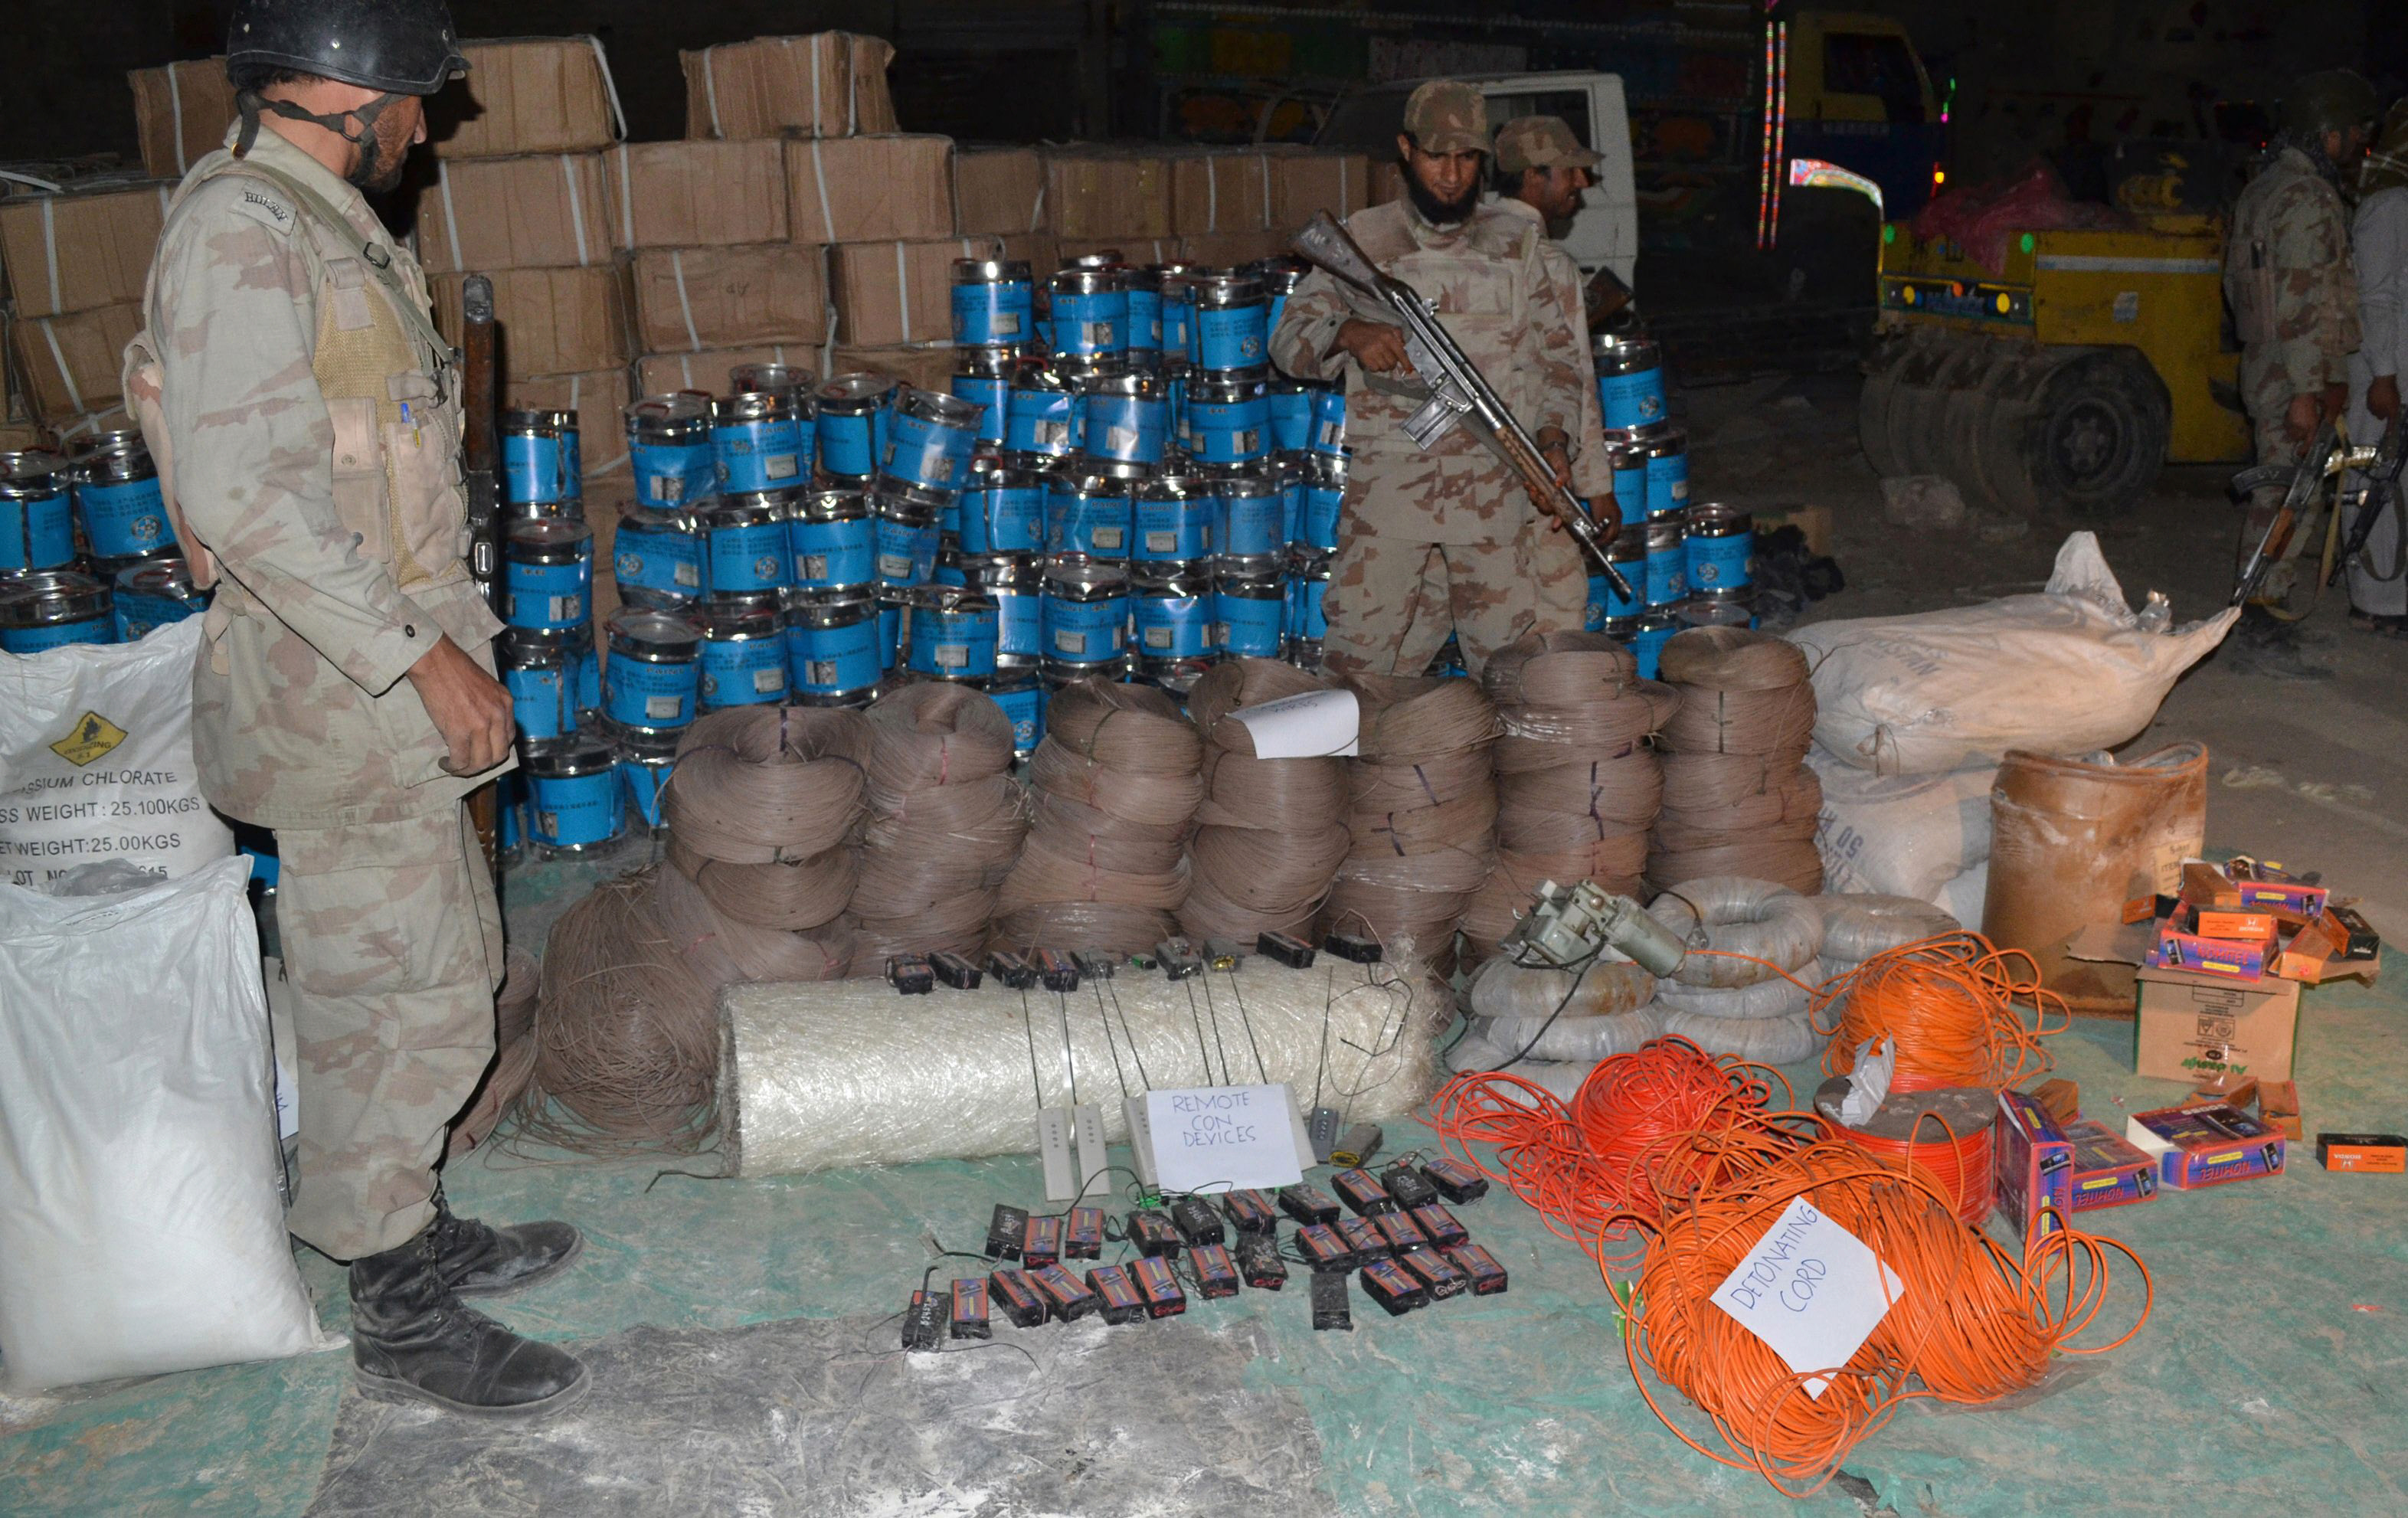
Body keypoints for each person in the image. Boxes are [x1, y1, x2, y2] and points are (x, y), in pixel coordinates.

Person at [126, 0, 587, 1419]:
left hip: (381, 688)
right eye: (417, 105)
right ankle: (392, 1299)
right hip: (339, 692)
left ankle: (413, 1215)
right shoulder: (243, 236)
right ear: (346, 96)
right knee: (379, 1000)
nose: (427, 128)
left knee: (441, 973)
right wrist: (419, 657)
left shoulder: (318, 218)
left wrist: (444, 647)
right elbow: (246, 499)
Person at [1269, 81, 1612, 679]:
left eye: (1467, 158)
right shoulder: (1365, 240)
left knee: (1508, 668)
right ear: (1405, 149)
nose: (1452, 175)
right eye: (1436, 155)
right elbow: (1286, 341)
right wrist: (1347, 332)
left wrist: (1555, 439)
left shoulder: (1517, 244)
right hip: (1392, 491)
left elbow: (1558, 360)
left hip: (1495, 488)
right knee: (1362, 655)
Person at [2223, 68, 2376, 665]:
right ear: (2328, 133)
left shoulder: (2262, 188)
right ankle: (2254, 617)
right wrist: (2308, 389)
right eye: (2353, 132)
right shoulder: (2307, 196)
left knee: (2288, 492)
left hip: (2269, 363)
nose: (2358, 143)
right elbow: (2302, 302)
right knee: (2288, 496)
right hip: (2292, 372)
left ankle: (2261, 613)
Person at [2345, 98, 2408, 635]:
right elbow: (2375, 297)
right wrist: (2384, 375)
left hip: (2399, 368)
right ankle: (2375, 602)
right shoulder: (2389, 207)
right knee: (2377, 486)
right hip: (2382, 372)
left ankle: (2395, 599)